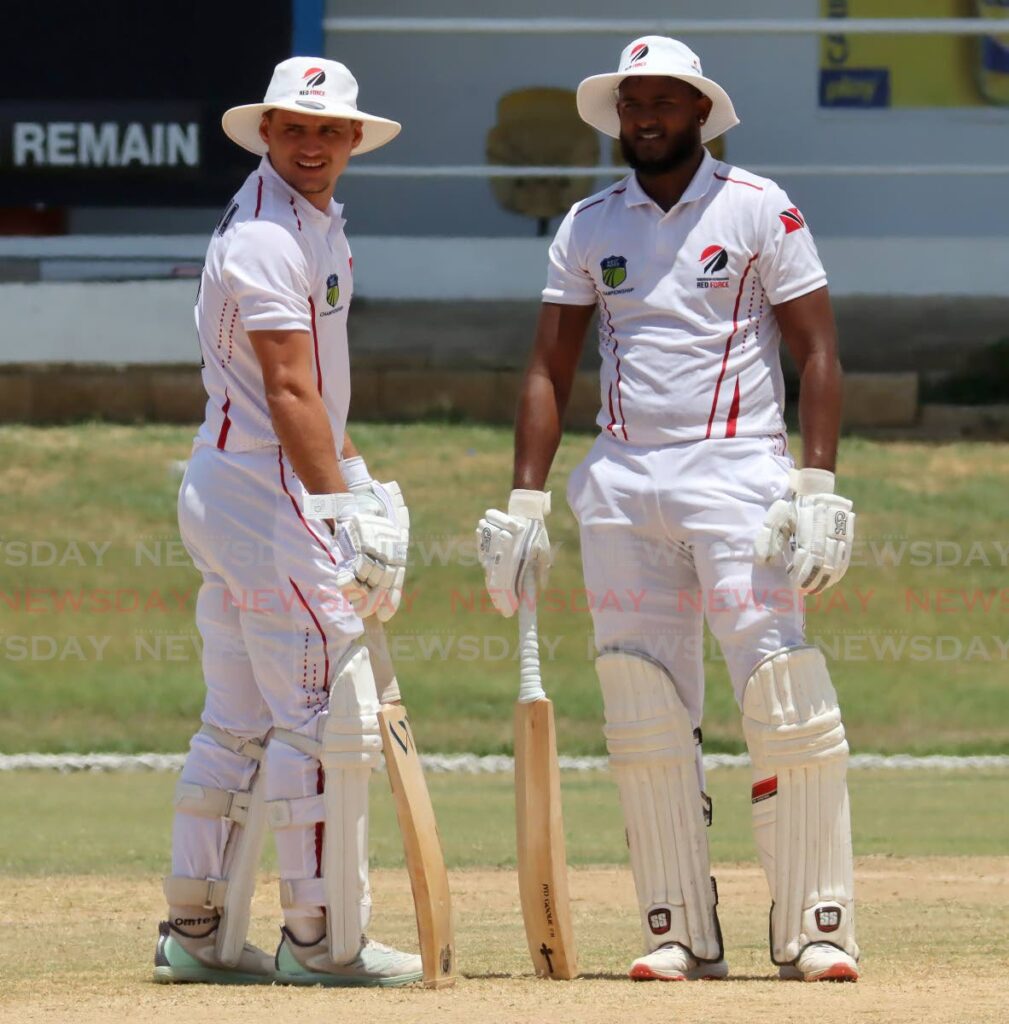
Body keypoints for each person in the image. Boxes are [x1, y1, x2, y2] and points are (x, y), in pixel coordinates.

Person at [478, 36, 859, 983]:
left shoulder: (758, 207)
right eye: (630, 104)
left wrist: (817, 485)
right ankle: (680, 928)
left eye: (662, 103)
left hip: (738, 478)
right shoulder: (587, 223)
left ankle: (815, 928)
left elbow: (815, 351)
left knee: (778, 690)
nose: (643, 118)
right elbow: (548, 366)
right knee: (642, 704)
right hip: (621, 483)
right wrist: (524, 501)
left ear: (700, 113)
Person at [154, 57, 421, 987]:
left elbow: (315, 401)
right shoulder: (269, 235)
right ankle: (322, 942)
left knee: (238, 717)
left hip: (236, 485)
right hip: (265, 493)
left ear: (353, 139)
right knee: (322, 714)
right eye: (293, 129)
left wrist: (354, 478)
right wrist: (342, 512)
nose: (311, 146)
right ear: (267, 132)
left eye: (327, 131)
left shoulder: (308, 221)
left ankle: (198, 930)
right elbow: (289, 387)